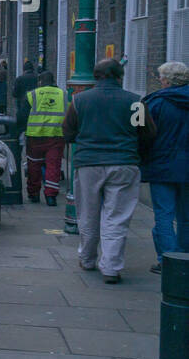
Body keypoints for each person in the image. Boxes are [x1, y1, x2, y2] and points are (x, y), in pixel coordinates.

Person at [63, 58, 156, 283]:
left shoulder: (79, 101)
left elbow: (67, 132)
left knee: (88, 212)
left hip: (88, 164)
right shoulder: (135, 102)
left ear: (96, 76)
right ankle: (111, 267)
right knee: (117, 217)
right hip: (124, 163)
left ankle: (87, 259)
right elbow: (147, 134)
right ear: (119, 76)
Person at [141, 62, 189, 274]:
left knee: (164, 215)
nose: (159, 80)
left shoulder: (154, 103)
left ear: (168, 80)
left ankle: (168, 260)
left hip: (162, 166)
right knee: (185, 216)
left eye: (161, 77)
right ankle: (185, 257)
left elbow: (141, 135)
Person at [23, 70, 66, 206]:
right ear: (53, 81)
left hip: (35, 136)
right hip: (56, 135)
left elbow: (22, 115)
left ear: (40, 82)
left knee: (34, 165)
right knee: (53, 165)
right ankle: (51, 196)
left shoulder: (32, 94)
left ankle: (34, 193)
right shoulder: (64, 94)